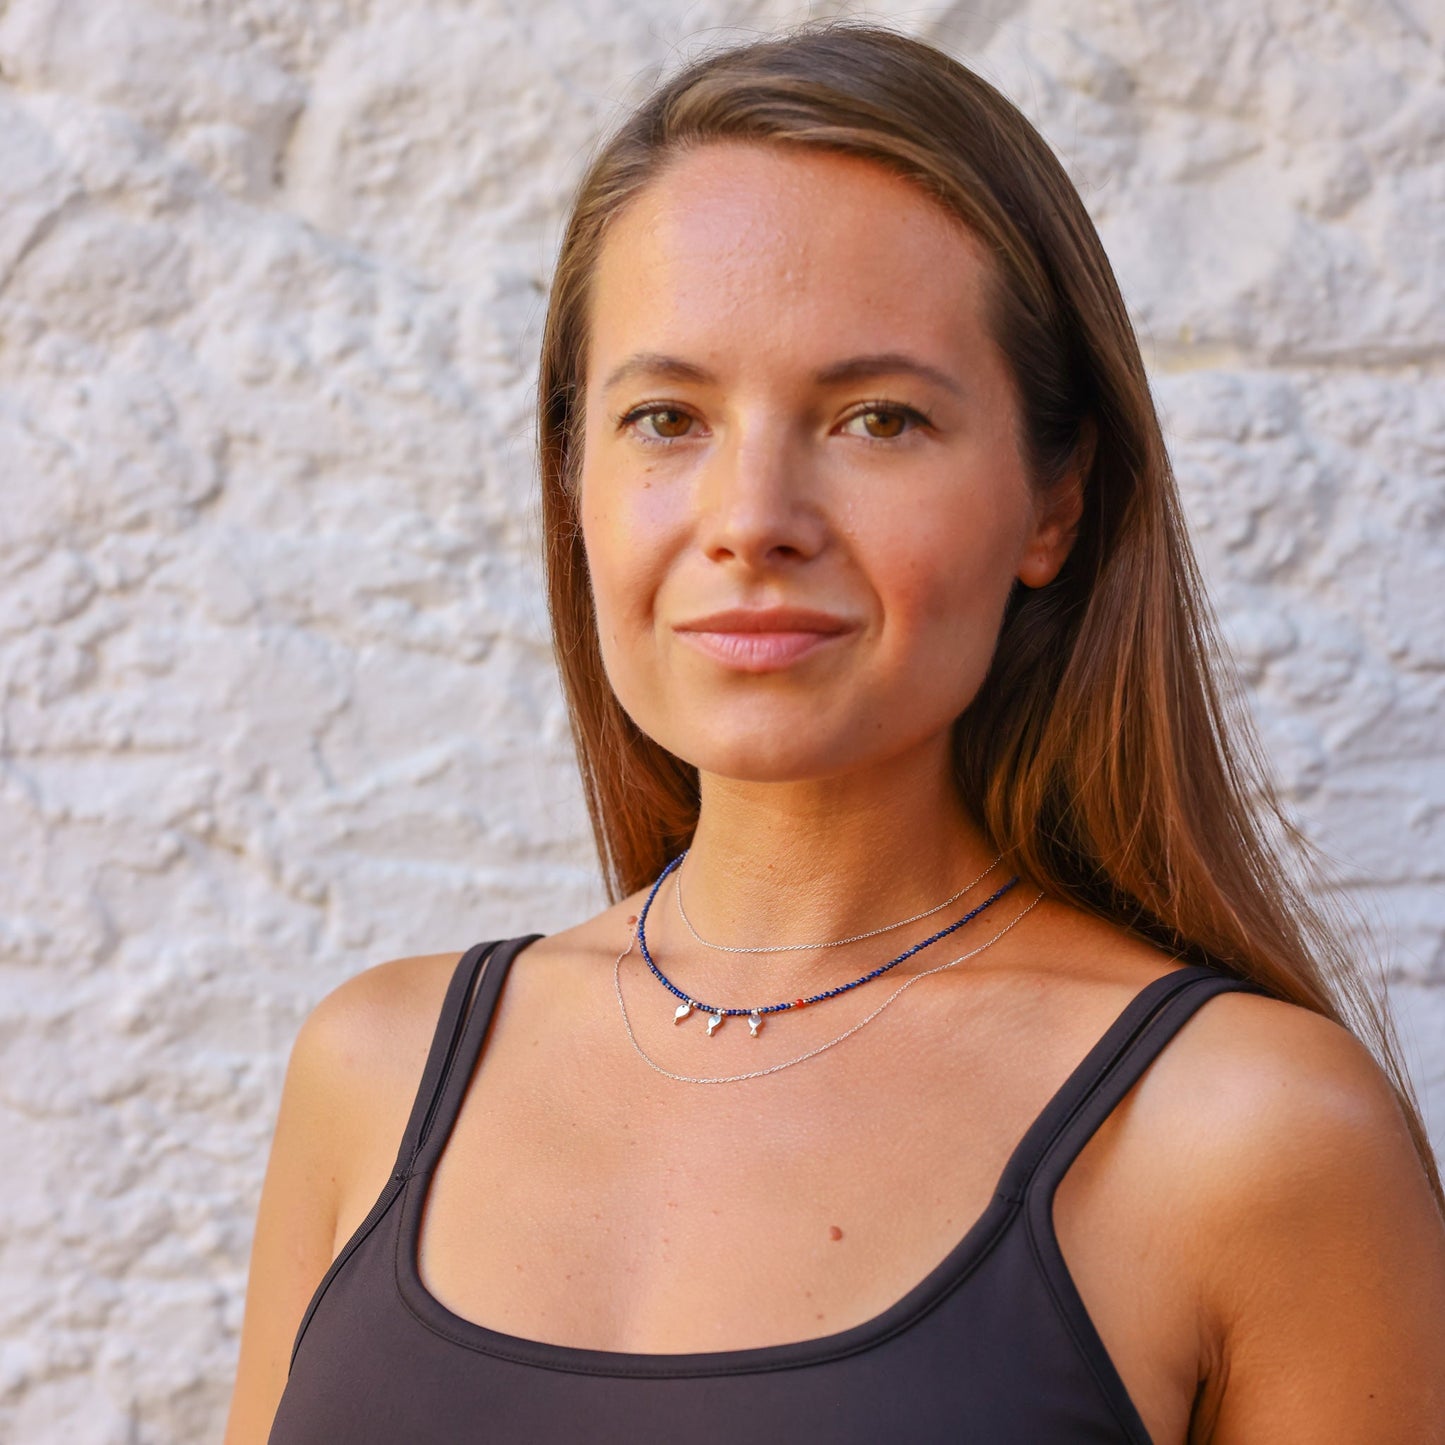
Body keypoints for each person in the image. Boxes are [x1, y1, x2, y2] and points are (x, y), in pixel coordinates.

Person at [223, 23, 1445, 1444]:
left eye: (876, 417)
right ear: (573, 478)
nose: (751, 519)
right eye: (666, 416)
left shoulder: (1247, 1135)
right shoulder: (374, 1070)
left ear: (1053, 503)